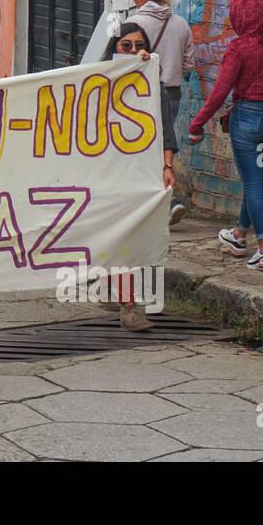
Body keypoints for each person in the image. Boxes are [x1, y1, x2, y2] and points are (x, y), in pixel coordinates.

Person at [188, 0, 263, 273]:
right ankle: (239, 235)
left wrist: (197, 123)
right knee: (257, 180)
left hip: (246, 122)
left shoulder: (238, 48)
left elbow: (220, 91)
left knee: (252, 182)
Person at [103, 22, 161, 332]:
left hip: (137, 174)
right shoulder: (96, 83)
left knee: (128, 239)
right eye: (127, 46)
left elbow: (164, 128)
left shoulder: (151, 84)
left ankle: (127, 303)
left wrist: (167, 166)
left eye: (141, 45)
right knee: (113, 237)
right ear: (114, 48)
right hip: (104, 174)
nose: (135, 51)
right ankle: (123, 298)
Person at [128, 0, 196, 225]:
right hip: (173, 92)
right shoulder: (180, 24)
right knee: (161, 147)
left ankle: (168, 202)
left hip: (144, 93)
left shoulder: (135, 25)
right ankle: (164, 202)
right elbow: (189, 64)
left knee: (143, 150)